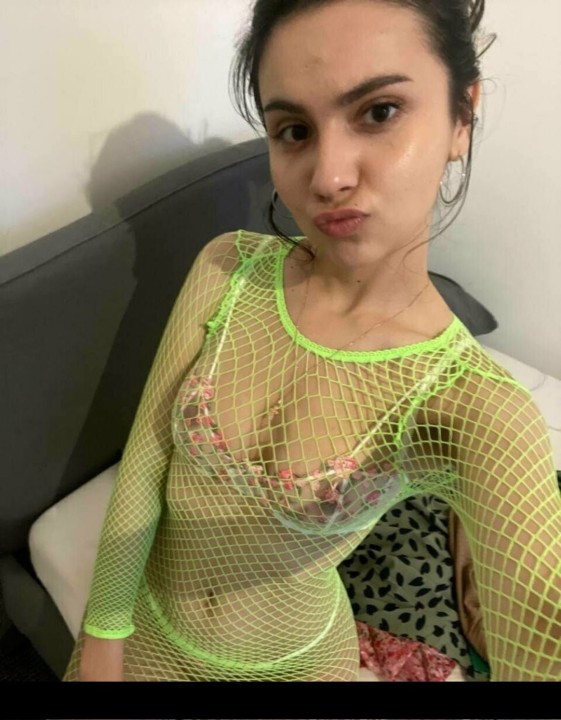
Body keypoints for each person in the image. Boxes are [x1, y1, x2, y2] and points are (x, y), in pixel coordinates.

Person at [65, 0, 561, 681]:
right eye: (294, 130)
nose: (328, 177)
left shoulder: (472, 406)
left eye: (379, 111)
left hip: (298, 664)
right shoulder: (226, 268)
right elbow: (147, 458)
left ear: (461, 117)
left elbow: (538, 611)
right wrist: (103, 633)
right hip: (144, 628)